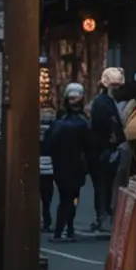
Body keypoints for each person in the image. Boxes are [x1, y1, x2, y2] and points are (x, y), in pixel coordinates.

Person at [42, 84, 90, 241]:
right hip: (77, 166)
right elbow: (90, 146)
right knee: (73, 197)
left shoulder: (59, 123)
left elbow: (47, 146)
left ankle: (60, 231)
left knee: (64, 198)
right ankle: (68, 228)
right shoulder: (84, 123)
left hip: (60, 166)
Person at [88, 67, 126, 232]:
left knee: (103, 186)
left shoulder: (102, 102)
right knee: (104, 185)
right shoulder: (105, 103)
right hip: (105, 150)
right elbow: (106, 127)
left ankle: (103, 216)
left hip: (101, 150)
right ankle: (104, 217)